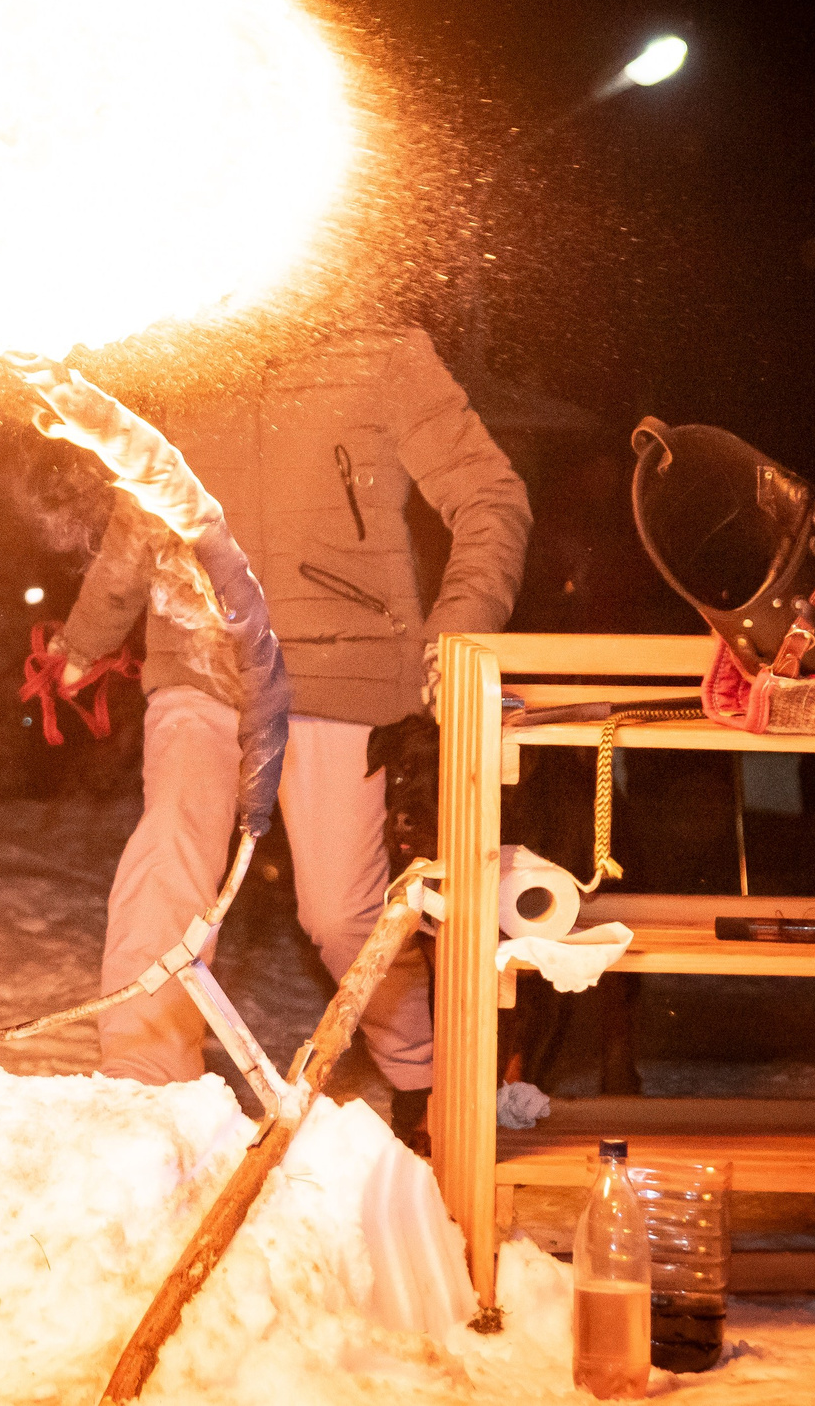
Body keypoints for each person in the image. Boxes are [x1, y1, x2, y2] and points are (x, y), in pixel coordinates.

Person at [51, 327, 529, 1149]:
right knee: (169, 854)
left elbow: (492, 496)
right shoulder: (187, 342)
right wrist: (88, 634)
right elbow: (146, 503)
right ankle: (144, 1096)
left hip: (342, 670)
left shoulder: (380, 354)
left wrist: (455, 635)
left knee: (342, 913)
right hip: (202, 656)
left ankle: (420, 1069)